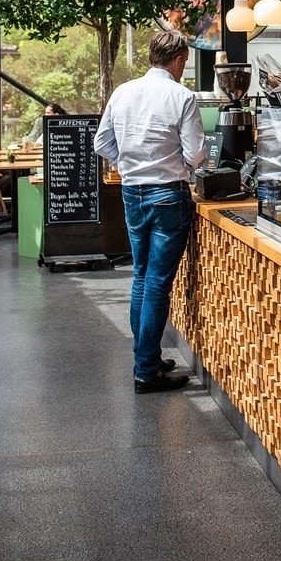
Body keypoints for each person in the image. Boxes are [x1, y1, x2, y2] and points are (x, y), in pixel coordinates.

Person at [94, 31, 206, 394]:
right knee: (157, 282)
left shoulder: (123, 91)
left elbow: (101, 143)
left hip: (131, 193)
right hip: (167, 195)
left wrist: (129, 161)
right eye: (185, 62)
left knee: (141, 277)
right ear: (177, 60)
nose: (184, 67)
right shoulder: (182, 96)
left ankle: (148, 357)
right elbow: (196, 157)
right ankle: (146, 372)